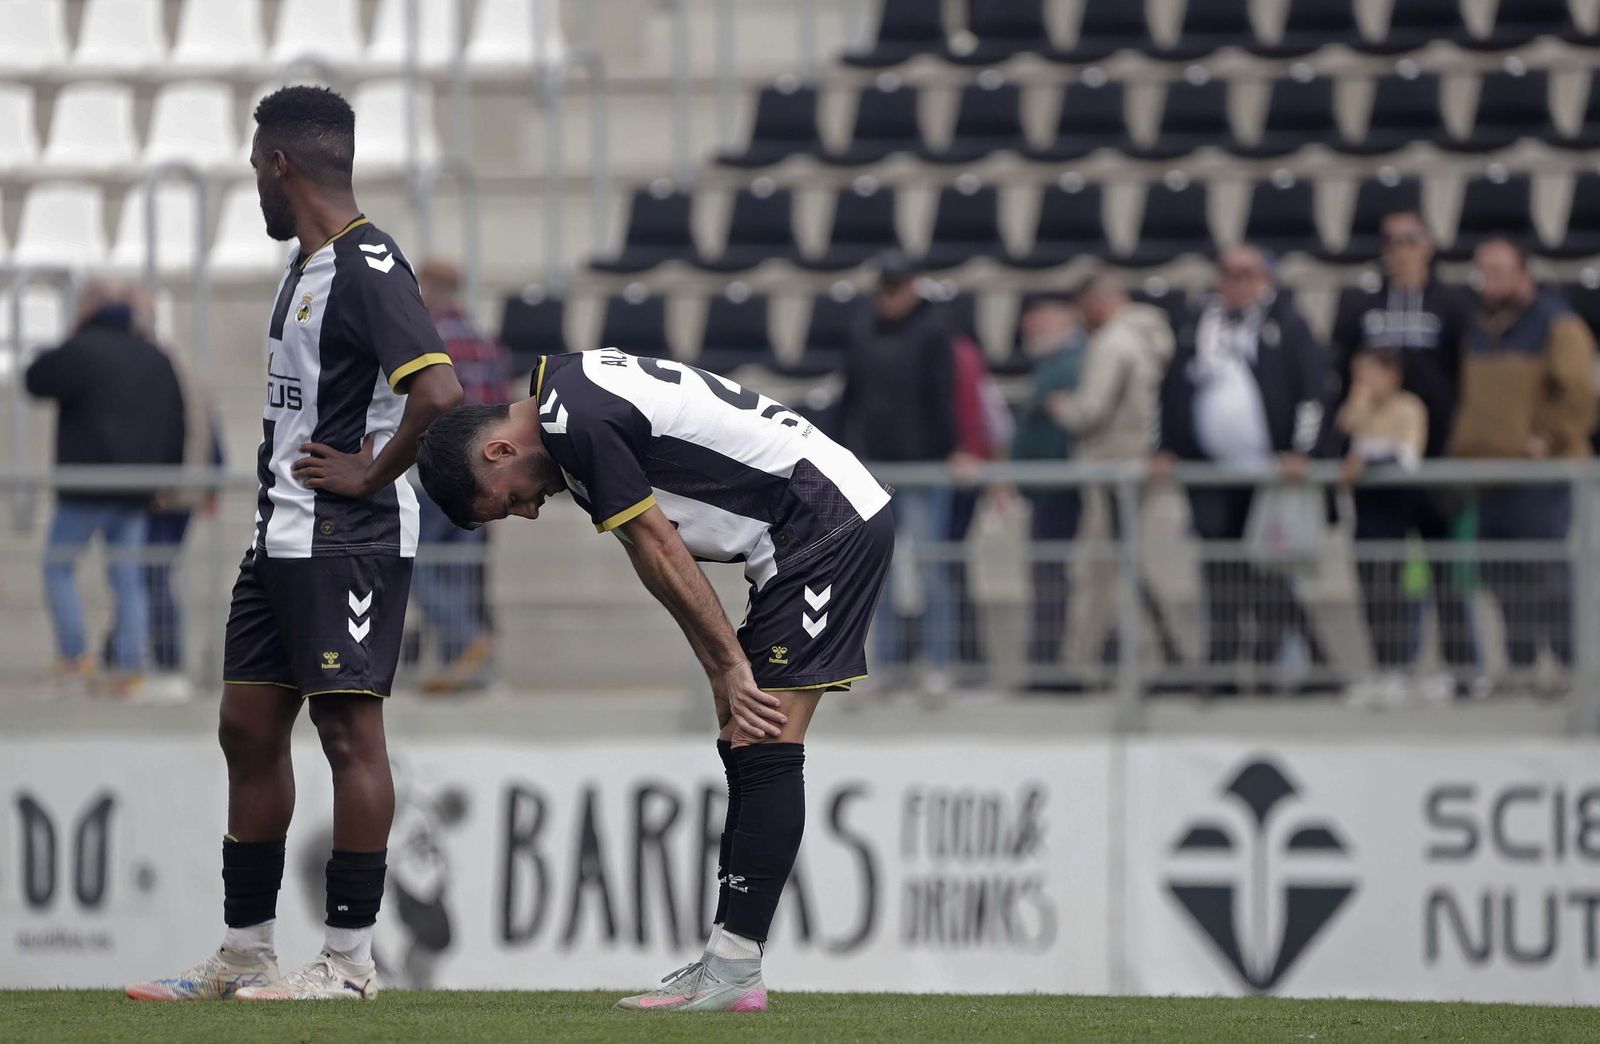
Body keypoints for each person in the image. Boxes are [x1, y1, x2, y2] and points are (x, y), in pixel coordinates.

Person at [413, 346, 894, 1013]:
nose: (527, 512)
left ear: (498, 451)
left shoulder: (576, 419)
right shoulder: (568, 412)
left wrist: (732, 665)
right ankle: (726, 960)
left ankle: (735, 969)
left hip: (825, 520)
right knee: (741, 735)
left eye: (507, 502)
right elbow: (651, 554)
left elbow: (659, 544)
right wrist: (718, 667)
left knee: (765, 737)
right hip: (797, 531)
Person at [125, 86, 463, 1003]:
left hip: (347, 538)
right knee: (245, 726)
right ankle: (245, 953)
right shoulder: (306, 265)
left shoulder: (369, 262)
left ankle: (349, 965)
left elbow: (439, 391)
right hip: (279, 533)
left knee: (349, 734)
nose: (255, 186)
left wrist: (371, 471)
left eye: (255, 168)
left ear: (280, 165)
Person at [1156, 245, 1330, 692]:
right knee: (1219, 570)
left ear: (1264, 279)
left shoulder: (1286, 325)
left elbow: (1313, 391)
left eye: (1246, 274)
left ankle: (1297, 661)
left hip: (1268, 472)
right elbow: (1171, 389)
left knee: (1268, 571)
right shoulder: (1197, 326)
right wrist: (1165, 446)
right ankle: (1223, 667)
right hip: (1211, 473)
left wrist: (1302, 450)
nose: (1235, 283)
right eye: (1228, 274)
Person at [1323, 208, 1474, 698]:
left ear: (1428, 244)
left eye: (1409, 239)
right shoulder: (1360, 303)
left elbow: (1468, 377)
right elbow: (1337, 375)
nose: (1400, 249)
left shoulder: (1453, 303)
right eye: (1390, 240)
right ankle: (1389, 668)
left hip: (1433, 464)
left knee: (1445, 572)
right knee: (1377, 574)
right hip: (1373, 471)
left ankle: (1462, 671)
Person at [1448, 236, 1597, 691]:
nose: (1487, 281)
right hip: (1491, 476)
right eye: (1482, 272)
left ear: (1524, 274)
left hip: (1541, 477)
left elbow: (1580, 395)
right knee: (1502, 576)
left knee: (1546, 574)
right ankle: (1522, 664)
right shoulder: (1480, 327)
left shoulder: (1558, 324)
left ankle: (1570, 670)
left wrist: (1547, 441)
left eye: (1498, 271)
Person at [25, 281, 186, 697]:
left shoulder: (81, 349)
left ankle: (75, 659)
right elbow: (177, 419)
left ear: (88, 309)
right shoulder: (154, 356)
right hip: (134, 491)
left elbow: (35, 379)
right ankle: (130, 669)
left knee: (58, 567)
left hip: (84, 488)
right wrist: (167, 478)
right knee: (128, 578)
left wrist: (72, 336)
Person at [1046, 272, 1179, 672]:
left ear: (1096, 302)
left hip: (1109, 469)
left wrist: (1062, 407)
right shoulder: (1151, 337)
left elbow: (1091, 410)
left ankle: (1083, 664)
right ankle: (1161, 654)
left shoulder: (1112, 342)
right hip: (1138, 464)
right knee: (1128, 564)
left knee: (1098, 569)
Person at [836, 251, 956, 685]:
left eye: (898, 287)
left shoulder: (934, 331)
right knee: (878, 569)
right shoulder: (862, 328)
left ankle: (938, 664)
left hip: (923, 467)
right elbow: (850, 394)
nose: (891, 297)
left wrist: (949, 450)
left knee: (931, 566)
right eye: (885, 287)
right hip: (875, 468)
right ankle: (885, 666)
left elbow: (943, 398)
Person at [411, 259, 512, 694]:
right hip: (483, 475)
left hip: (436, 470)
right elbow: (505, 409)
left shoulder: (427, 339)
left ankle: (466, 640)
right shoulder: (484, 341)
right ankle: (463, 665)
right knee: (461, 571)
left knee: (413, 563)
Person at [1328, 348, 1430, 706]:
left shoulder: (1408, 408)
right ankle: (1380, 667)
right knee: (1370, 595)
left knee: (1394, 596)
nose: (1363, 383)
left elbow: (1406, 457)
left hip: (1394, 520)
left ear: (1392, 375)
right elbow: (1335, 449)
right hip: (1362, 520)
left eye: (1370, 374)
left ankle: (1401, 668)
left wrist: (1366, 462)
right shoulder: (1357, 410)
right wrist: (1355, 407)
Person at [1009, 293, 1086, 677]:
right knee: (1049, 577)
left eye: (1040, 319)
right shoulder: (1053, 364)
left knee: (1055, 578)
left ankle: (1053, 667)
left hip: (1063, 490)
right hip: (1046, 489)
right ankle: (1048, 663)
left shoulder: (1072, 363)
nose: (1031, 328)